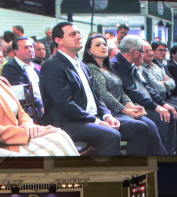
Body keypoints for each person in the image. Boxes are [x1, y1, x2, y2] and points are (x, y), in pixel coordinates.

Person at [0, 31, 79, 156]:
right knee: (53, 148)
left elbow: (21, 113)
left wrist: (30, 126)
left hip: (21, 137)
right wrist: (25, 133)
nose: (0, 54)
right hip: (2, 144)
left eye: (0, 49)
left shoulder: (1, 80)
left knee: (59, 134)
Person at [39, 22, 122, 156]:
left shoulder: (82, 65)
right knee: (112, 135)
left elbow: (97, 95)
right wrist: (97, 121)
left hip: (90, 117)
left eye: (78, 33)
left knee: (139, 127)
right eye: (73, 34)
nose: (79, 37)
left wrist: (107, 115)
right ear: (58, 40)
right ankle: (102, 175)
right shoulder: (52, 66)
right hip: (67, 122)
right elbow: (65, 105)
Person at [83, 34, 167, 156]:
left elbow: (121, 91)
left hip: (120, 109)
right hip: (108, 112)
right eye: (98, 45)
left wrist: (131, 106)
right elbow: (103, 95)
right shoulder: (91, 68)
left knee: (150, 124)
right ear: (88, 50)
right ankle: (154, 161)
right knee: (145, 126)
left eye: (105, 44)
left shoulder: (108, 66)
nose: (103, 47)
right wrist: (126, 111)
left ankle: (159, 158)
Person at [111, 36, 177, 156]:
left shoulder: (130, 65)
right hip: (131, 106)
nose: (144, 54)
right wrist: (156, 106)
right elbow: (131, 92)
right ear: (134, 52)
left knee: (169, 112)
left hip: (140, 103)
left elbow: (147, 87)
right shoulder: (117, 65)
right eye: (142, 51)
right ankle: (161, 155)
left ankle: (170, 153)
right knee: (162, 116)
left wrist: (162, 104)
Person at [1, 36, 45, 123]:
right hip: (29, 111)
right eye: (26, 47)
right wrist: (41, 106)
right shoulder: (11, 67)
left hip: (44, 108)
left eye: (31, 47)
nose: (30, 50)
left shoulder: (37, 67)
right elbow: (22, 92)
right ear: (15, 51)